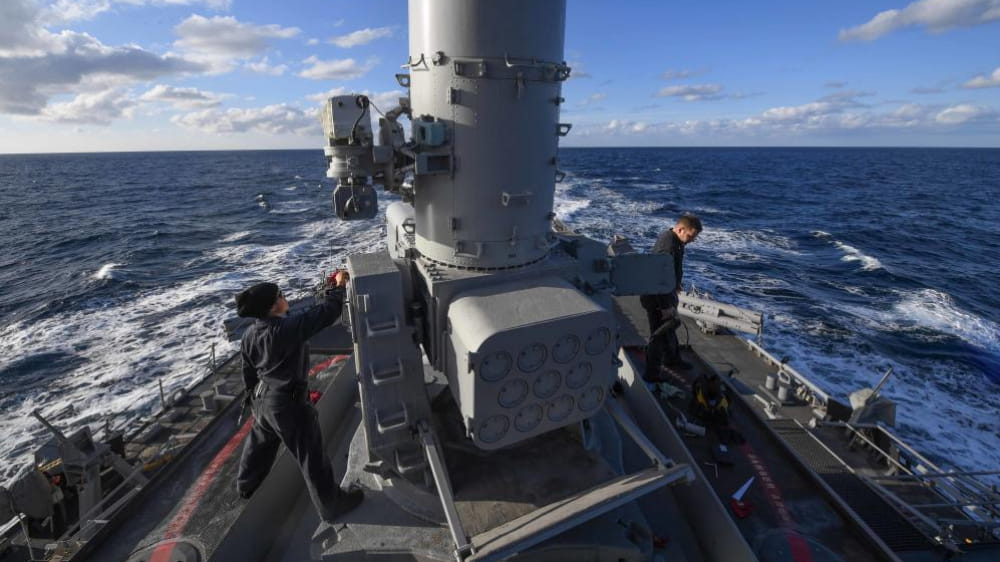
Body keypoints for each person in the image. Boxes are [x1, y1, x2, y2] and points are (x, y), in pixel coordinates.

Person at [234, 273, 363, 523]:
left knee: (259, 445)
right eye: (280, 295)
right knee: (311, 457)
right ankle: (332, 506)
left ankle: (246, 485)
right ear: (273, 306)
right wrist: (338, 287)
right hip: (288, 405)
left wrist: (253, 399)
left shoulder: (250, 334)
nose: (285, 298)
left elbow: (248, 370)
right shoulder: (285, 330)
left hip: (263, 401)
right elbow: (327, 313)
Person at [640, 215, 702, 382]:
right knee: (658, 335)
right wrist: (665, 306)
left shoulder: (677, 242)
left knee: (670, 328)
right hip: (657, 299)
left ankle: (672, 359)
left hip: (666, 294)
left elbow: (669, 269)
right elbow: (658, 277)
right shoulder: (667, 244)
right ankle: (651, 375)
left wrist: (676, 282)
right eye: (690, 236)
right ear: (680, 229)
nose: (691, 240)